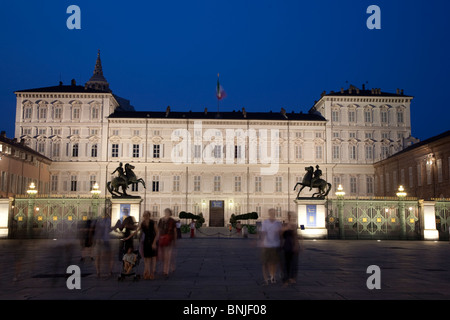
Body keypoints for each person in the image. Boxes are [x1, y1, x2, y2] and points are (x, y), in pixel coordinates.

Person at [124, 211, 158, 280]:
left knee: (152, 258)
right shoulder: (143, 223)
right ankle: (147, 272)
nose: (145, 216)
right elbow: (136, 231)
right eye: (144, 215)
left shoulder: (152, 223)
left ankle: (152, 272)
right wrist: (128, 237)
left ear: (149, 215)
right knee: (146, 258)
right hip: (146, 242)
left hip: (152, 241)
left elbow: (157, 233)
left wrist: (154, 243)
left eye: (146, 215)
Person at [260, 208, 282, 285]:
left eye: (273, 212)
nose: (272, 214)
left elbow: (280, 233)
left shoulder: (278, 223)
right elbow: (263, 232)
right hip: (267, 244)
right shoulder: (265, 222)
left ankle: (272, 276)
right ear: (269, 213)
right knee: (267, 262)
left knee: (273, 262)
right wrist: (262, 241)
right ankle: (268, 277)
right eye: (271, 212)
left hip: (275, 244)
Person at [94, 209, 114, 278]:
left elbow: (97, 229)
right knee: (108, 256)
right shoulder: (108, 220)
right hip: (104, 240)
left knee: (99, 257)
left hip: (100, 240)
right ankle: (108, 271)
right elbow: (108, 229)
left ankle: (99, 271)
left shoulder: (100, 220)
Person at [281, 212, 300, 286]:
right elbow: (281, 235)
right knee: (286, 262)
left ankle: (292, 277)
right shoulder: (284, 225)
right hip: (286, 245)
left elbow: (296, 236)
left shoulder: (294, 225)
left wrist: (296, 245)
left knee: (294, 262)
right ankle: (286, 278)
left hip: (292, 245)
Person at [158, 208, 177, 278]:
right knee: (162, 255)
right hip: (162, 239)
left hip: (169, 239)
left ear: (170, 213)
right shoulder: (161, 220)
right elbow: (159, 230)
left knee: (167, 255)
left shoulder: (172, 221)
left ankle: (165, 270)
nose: (166, 213)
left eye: (167, 212)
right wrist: (157, 238)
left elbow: (175, 231)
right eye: (166, 212)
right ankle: (170, 266)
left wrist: (175, 240)